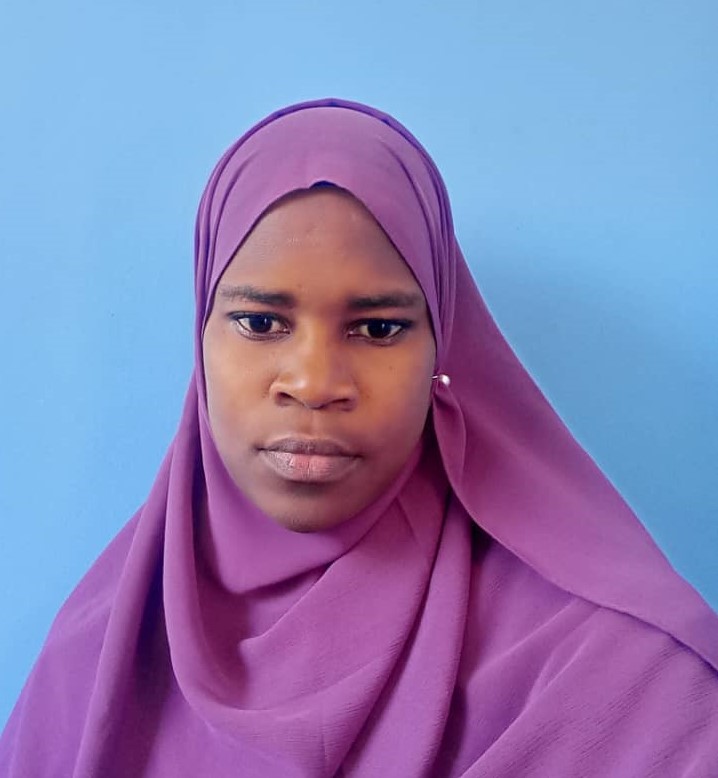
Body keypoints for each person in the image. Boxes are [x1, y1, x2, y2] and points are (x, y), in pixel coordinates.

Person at [1, 98, 717, 777]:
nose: (314, 383)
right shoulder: (100, 654)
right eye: (260, 322)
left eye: (378, 328)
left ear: (442, 348)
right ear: (201, 337)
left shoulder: (604, 670)